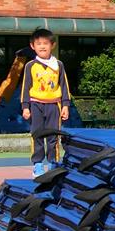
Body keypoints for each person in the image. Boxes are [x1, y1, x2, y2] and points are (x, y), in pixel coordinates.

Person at [20, 28, 71, 177]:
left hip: (54, 105)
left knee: (53, 135)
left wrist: (66, 105)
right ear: (32, 46)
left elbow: (64, 85)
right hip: (36, 104)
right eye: (39, 43)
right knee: (37, 134)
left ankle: (53, 162)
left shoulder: (58, 65)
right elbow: (25, 87)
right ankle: (37, 164)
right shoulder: (30, 66)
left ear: (52, 45)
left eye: (45, 43)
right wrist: (25, 107)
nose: (42, 46)